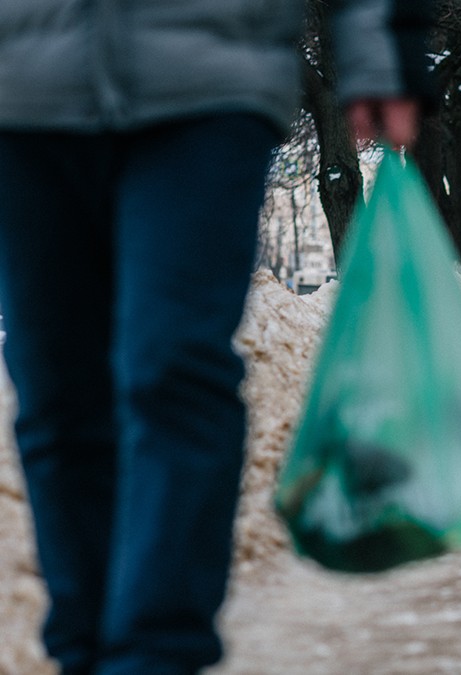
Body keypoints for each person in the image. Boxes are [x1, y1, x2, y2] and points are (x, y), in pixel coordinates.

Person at [0, 1, 437, 673]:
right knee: (56, 388)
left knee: (173, 365)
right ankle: (82, 650)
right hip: (24, 82)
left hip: (212, 73)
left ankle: (157, 652)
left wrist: (379, 48)